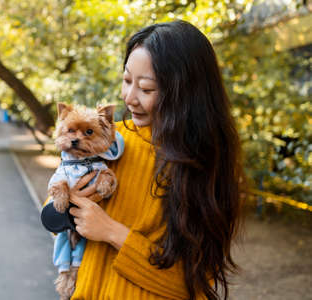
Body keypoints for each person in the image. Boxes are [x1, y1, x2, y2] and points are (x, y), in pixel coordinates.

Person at [66, 20, 244, 300]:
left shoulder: (203, 165)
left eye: (146, 89)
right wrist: (65, 199)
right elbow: (54, 217)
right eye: (126, 81)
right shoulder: (109, 141)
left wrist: (113, 233)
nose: (129, 98)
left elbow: (189, 283)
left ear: (184, 94)